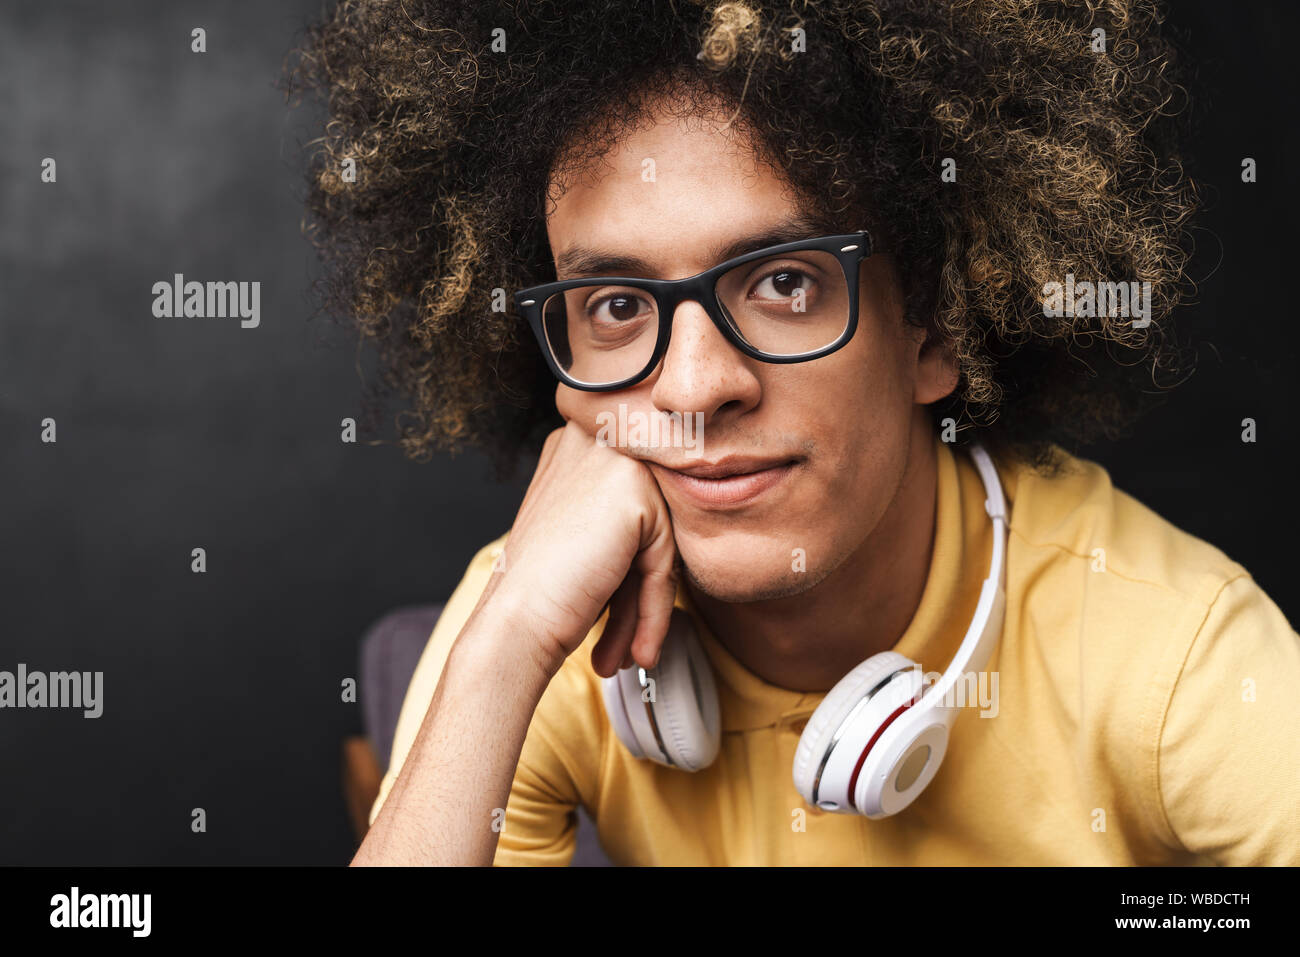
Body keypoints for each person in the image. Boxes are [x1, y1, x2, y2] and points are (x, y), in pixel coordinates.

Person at [287, 0, 1300, 865]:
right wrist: (504, 644)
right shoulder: (538, 622)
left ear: (933, 331)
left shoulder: (1171, 654)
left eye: (783, 284)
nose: (692, 386)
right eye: (613, 304)